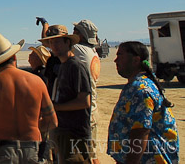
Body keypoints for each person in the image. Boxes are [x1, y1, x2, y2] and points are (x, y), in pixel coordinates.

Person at [0, 33, 58, 164]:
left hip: (3, 149)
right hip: (33, 148)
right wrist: (32, 126)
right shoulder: (36, 82)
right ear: (14, 56)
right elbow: (52, 122)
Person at [108, 41, 178, 164]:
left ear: (136, 60)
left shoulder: (141, 89)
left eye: (120, 55)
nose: (115, 60)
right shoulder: (134, 85)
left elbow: (140, 132)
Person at [40, 25, 91, 164]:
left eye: (57, 41)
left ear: (68, 42)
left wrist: (55, 107)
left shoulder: (76, 66)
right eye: (50, 42)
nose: (53, 46)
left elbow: (84, 101)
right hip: (62, 129)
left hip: (74, 132)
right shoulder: (63, 66)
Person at [72, 20, 101, 164]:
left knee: (86, 156)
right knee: (92, 154)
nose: (72, 34)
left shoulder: (78, 49)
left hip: (85, 113)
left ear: (81, 35)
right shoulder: (92, 51)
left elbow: (52, 44)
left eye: (75, 31)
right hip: (93, 109)